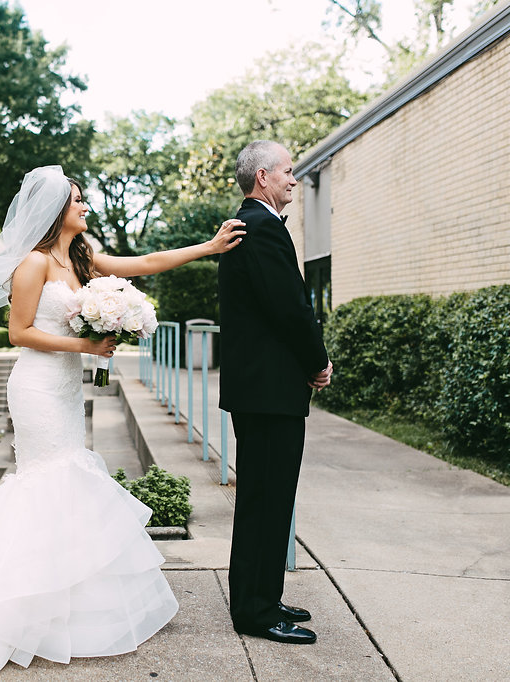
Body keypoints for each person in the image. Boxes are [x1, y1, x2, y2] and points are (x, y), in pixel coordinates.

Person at [0, 165, 245, 676]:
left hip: (65, 385)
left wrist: (206, 249)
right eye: (78, 201)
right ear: (57, 209)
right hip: (36, 386)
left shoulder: (81, 258)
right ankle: (12, 603)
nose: (86, 208)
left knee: (66, 481)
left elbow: (143, 261)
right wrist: (86, 343)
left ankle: (65, 608)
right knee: (49, 479)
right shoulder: (32, 263)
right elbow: (18, 333)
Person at [217, 141, 332, 645]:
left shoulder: (254, 225)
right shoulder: (261, 229)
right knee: (266, 500)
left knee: (269, 499)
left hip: (263, 391)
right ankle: (256, 612)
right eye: (288, 171)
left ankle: (263, 596)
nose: (295, 178)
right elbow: (289, 309)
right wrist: (317, 362)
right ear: (262, 176)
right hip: (268, 392)